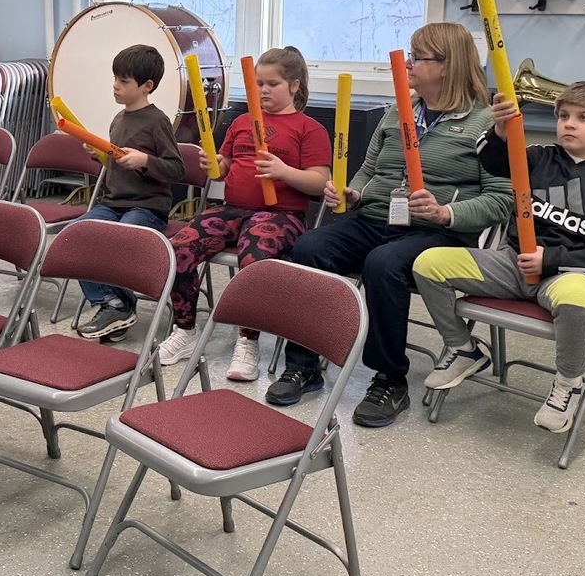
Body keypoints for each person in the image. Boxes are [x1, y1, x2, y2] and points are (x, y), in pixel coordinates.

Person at [277, 22, 514, 426]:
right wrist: (352, 194)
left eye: (417, 57)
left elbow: (502, 199)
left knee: (384, 264)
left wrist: (446, 213)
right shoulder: (396, 110)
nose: (408, 63)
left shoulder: (486, 123)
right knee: (308, 248)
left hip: (438, 232)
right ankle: (304, 364)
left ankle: (389, 378)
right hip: (375, 217)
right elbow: (369, 170)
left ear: (446, 65)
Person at [413, 81, 585, 433]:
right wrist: (501, 129)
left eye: (583, 117)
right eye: (564, 116)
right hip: (511, 264)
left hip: (569, 275)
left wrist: (551, 259)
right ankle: (464, 348)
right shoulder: (539, 156)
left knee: (578, 296)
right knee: (428, 263)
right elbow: (492, 159)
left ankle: (567, 384)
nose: (569, 124)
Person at [156, 47, 331, 380]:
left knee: (253, 262)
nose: (263, 90)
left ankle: (248, 340)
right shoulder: (241, 122)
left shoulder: (309, 128)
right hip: (233, 209)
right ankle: (185, 332)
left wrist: (283, 171)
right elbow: (222, 169)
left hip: (281, 215)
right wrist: (214, 165)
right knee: (178, 249)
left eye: (272, 83)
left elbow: (319, 182)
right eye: (258, 83)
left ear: (294, 86)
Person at [74, 43, 185, 341]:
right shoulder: (118, 119)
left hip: (148, 207)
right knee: (77, 235)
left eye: (123, 81)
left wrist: (145, 160)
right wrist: (99, 155)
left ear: (147, 86)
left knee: (120, 238)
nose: (115, 86)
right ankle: (113, 303)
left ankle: (120, 306)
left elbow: (177, 169)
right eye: (115, 79)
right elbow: (116, 166)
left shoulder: (157, 120)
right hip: (114, 202)